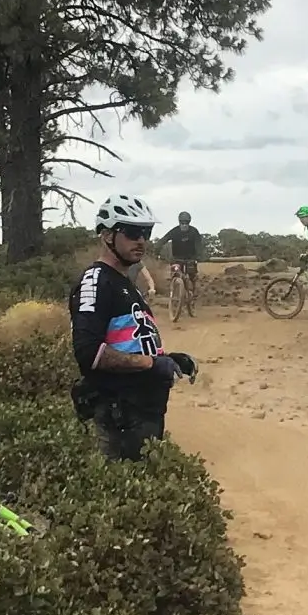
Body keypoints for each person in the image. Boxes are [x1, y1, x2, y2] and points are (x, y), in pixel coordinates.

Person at [71, 193, 196, 460]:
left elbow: (129, 341)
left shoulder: (125, 282)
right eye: (131, 232)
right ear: (107, 235)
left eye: (146, 232)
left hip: (143, 414)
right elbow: (89, 352)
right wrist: (151, 364)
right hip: (117, 417)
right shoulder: (96, 281)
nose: (141, 240)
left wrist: (167, 359)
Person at [159, 211, 205, 304]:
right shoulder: (174, 231)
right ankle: (174, 292)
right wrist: (156, 249)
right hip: (177, 258)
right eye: (182, 223)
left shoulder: (194, 231)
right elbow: (164, 239)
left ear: (189, 223)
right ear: (179, 223)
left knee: (192, 276)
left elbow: (198, 244)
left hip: (190, 258)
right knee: (175, 273)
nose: (184, 225)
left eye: (186, 223)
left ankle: (192, 294)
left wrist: (199, 256)